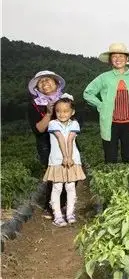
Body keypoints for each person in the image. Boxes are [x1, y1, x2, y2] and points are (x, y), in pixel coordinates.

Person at [83, 43, 129, 163]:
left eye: (121, 56)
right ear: (110, 60)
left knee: (128, 157)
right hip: (110, 123)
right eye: (114, 56)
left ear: (127, 59)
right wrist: (100, 105)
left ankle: (127, 181)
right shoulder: (104, 77)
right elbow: (87, 93)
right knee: (110, 158)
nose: (118, 59)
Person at [27, 70, 70, 219]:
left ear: (56, 83)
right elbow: (38, 129)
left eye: (48, 80)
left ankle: (63, 204)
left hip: (66, 142)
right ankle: (51, 206)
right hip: (46, 143)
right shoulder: (34, 105)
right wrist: (49, 112)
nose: (45, 83)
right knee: (54, 175)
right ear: (37, 88)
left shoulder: (66, 100)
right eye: (41, 82)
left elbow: (76, 122)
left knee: (70, 174)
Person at [42, 94, 86, 227]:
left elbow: (70, 138)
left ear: (72, 112)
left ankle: (70, 213)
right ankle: (57, 215)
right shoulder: (53, 123)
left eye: (66, 111)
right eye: (58, 111)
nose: (62, 114)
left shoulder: (75, 123)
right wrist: (65, 157)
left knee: (71, 187)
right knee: (57, 187)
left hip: (73, 160)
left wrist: (69, 157)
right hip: (57, 161)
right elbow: (61, 138)